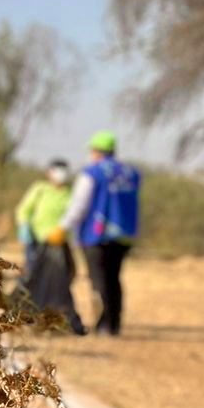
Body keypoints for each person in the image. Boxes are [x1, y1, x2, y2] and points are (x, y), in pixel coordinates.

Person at [53, 130, 141, 336]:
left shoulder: (92, 173)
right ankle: (114, 325)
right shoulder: (131, 173)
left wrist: (63, 227)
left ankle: (103, 325)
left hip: (96, 235)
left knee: (98, 280)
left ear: (95, 151)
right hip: (124, 235)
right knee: (114, 278)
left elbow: (80, 205)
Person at [15, 158, 85, 334]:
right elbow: (23, 210)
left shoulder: (70, 194)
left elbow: (75, 217)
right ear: (48, 172)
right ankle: (25, 316)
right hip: (37, 243)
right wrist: (24, 227)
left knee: (61, 281)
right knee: (32, 277)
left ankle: (55, 317)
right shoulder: (40, 189)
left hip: (59, 245)